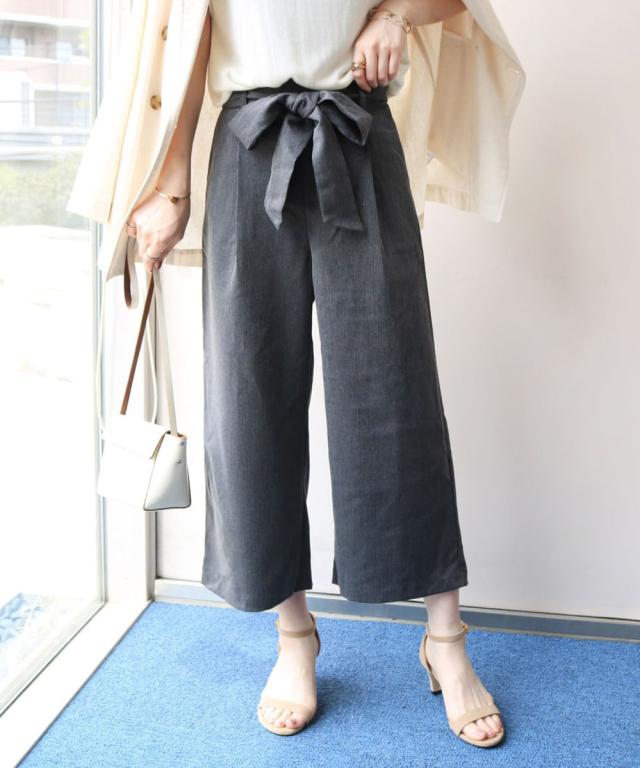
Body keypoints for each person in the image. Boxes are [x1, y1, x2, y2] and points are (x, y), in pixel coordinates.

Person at [117, 0, 511, 747]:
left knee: (396, 395)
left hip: (357, 132)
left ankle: (446, 640)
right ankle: (295, 636)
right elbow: (190, 35)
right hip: (246, 142)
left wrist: (396, 14)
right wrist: (171, 184)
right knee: (250, 399)